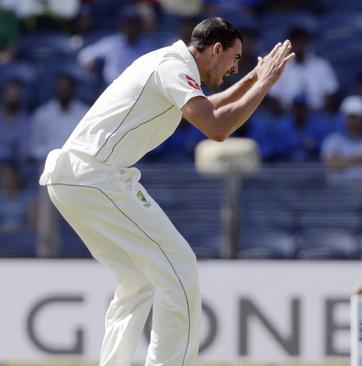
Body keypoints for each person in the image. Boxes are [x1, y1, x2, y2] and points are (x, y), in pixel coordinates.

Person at [39, 17, 294, 365]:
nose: (236, 68)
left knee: (138, 281)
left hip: (75, 178)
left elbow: (211, 106)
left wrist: (254, 79)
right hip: (95, 176)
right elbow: (216, 127)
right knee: (179, 267)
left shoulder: (170, 65)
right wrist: (262, 85)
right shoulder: (172, 67)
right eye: (236, 59)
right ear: (216, 50)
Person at [268, 26, 339, 112]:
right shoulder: (280, 66)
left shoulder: (321, 65)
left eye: (301, 41)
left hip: (316, 114)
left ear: (307, 43)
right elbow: (274, 95)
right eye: (295, 41)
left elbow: (331, 92)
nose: (299, 45)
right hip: (288, 115)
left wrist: (318, 110)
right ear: (289, 45)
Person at [78, 6, 156, 84]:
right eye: (128, 23)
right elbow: (85, 54)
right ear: (122, 25)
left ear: (139, 25)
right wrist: (89, 60)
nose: (131, 27)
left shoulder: (148, 47)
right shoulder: (112, 43)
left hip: (137, 88)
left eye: (134, 23)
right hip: (111, 87)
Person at [30, 73, 89, 161]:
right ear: (55, 89)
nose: (64, 90)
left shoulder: (85, 114)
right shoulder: (42, 114)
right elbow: (35, 148)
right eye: (61, 87)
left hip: (76, 161)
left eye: (67, 88)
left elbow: (87, 144)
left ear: (73, 89)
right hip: (47, 162)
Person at [0, 80, 31, 163]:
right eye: (10, 96)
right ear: (3, 96)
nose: (12, 100)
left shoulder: (26, 122)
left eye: (15, 97)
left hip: (15, 166)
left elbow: (24, 151)